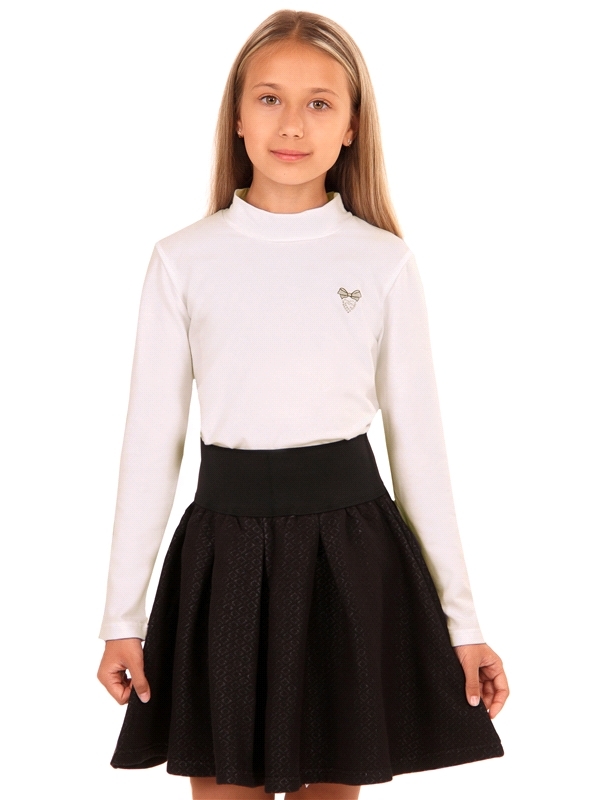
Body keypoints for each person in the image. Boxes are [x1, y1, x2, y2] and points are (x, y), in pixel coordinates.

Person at [97, 9, 509, 800]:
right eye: (269, 99)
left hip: (350, 559)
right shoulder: (183, 260)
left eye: (319, 103)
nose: (292, 124)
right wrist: (123, 617)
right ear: (237, 117)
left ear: (352, 126)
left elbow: (419, 451)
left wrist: (463, 626)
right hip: (221, 557)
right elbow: (151, 444)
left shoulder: (382, 263)